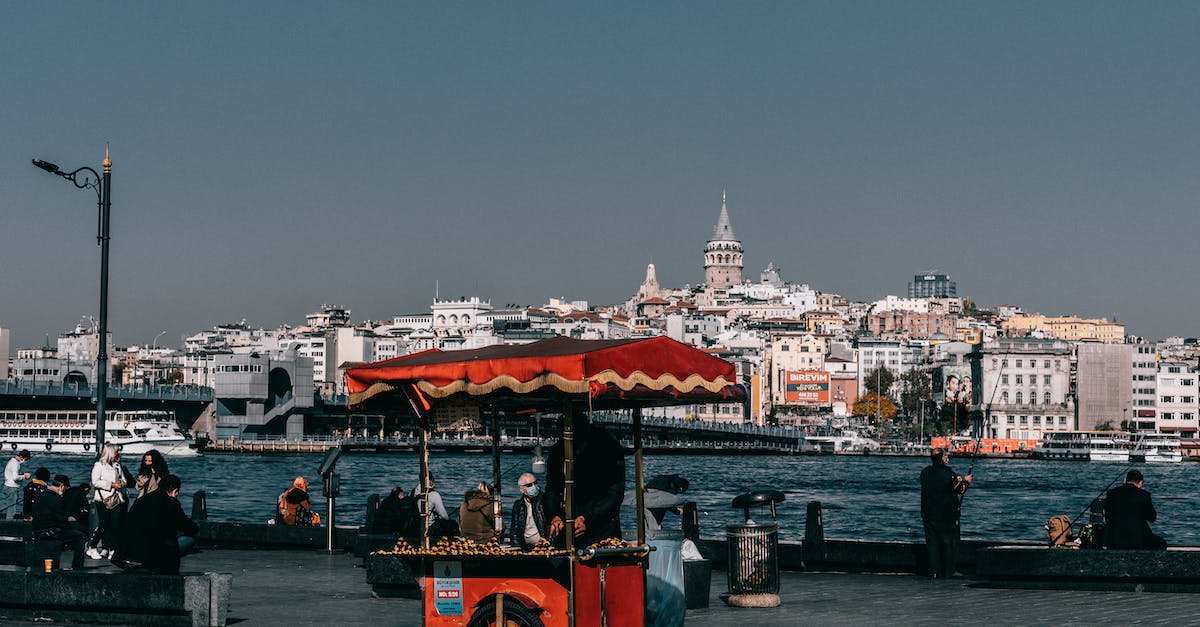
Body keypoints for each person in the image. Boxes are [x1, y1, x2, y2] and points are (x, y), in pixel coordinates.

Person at [545, 413, 626, 546]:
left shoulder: (609, 448)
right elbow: (551, 490)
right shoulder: (557, 451)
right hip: (567, 526)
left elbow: (615, 495)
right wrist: (554, 515)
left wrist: (587, 519)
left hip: (601, 529)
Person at [113, 474, 199, 574]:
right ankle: (164, 563)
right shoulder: (171, 502)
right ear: (175, 490)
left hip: (125, 555)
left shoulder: (141, 500)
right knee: (190, 538)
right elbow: (189, 527)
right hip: (151, 556)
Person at [920, 447, 971, 578]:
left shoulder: (925, 473)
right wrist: (966, 481)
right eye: (946, 456)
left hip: (928, 514)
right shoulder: (949, 475)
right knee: (948, 543)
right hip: (946, 515)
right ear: (942, 459)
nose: (947, 458)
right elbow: (960, 489)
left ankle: (934, 571)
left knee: (932, 544)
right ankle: (949, 571)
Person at [32, 476, 87, 570]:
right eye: (65, 489)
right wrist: (70, 522)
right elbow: (62, 522)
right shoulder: (56, 499)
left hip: (37, 530)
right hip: (52, 532)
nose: (64, 491)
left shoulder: (40, 495)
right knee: (80, 536)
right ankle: (77, 567)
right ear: (61, 486)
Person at [90, 444, 133, 559]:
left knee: (115, 524)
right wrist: (111, 485)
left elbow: (124, 480)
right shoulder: (99, 465)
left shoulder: (117, 466)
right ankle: (92, 546)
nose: (118, 455)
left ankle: (112, 549)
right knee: (104, 524)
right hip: (103, 499)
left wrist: (121, 483)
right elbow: (95, 481)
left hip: (117, 498)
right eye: (116, 452)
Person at [1105, 469, 1166, 549]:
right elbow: (1152, 518)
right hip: (1138, 539)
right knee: (1161, 543)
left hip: (1114, 539)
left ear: (1125, 480)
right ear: (1140, 483)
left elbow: (1107, 516)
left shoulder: (1111, 493)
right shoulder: (1144, 495)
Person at [510, 472, 547, 550]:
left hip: (544, 546)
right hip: (526, 547)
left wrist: (547, 546)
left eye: (535, 483)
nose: (534, 486)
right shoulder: (518, 505)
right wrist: (517, 549)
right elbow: (515, 529)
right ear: (521, 489)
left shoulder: (545, 500)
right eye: (529, 485)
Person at [412, 471, 455, 537]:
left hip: (414, 526)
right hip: (429, 528)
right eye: (433, 479)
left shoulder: (412, 492)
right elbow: (444, 515)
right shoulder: (434, 495)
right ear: (430, 480)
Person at [2, 449, 32, 520]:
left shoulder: (12, 461)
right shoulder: (15, 464)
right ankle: (9, 524)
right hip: (12, 488)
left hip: (8, 486)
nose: (25, 461)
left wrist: (22, 474)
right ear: (22, 457)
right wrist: (25, 476)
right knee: (12, 509)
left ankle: (8, 521)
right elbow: (15, 477)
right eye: (26, 459)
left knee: (10, 507)